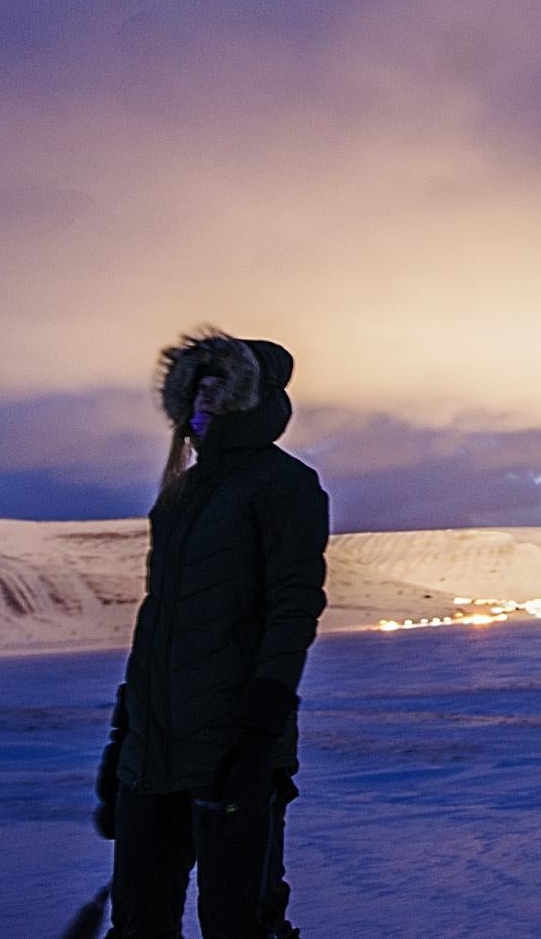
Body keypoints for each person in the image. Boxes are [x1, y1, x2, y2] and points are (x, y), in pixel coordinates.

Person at [94, 328, 329, 939]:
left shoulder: (284, 484)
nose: (203, 404)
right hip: (154, 749)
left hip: (233, 745)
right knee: (140, 922)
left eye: (217, 389)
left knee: (239, 922)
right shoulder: (181, 495)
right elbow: (160, 620)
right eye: (195, 390)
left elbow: (293, 605)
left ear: (247, 398)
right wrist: (124, 737)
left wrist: (262, 720)